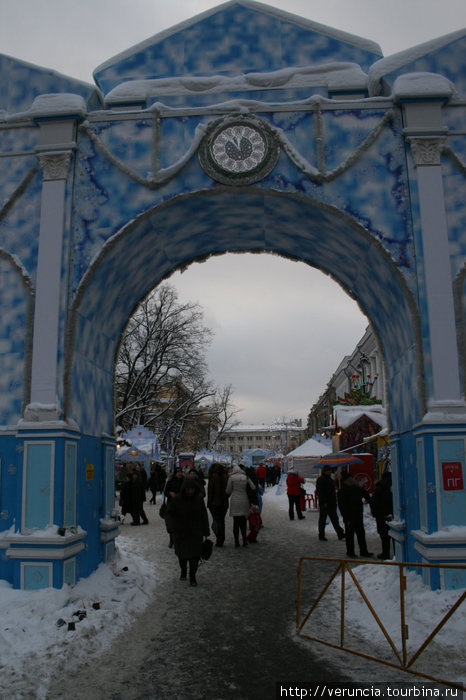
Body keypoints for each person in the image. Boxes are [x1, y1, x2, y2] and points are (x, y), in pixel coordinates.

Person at [165, 479, 210, 587]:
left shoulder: (199, 500)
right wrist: (171, 527)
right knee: (182, 555)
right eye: (188, 489)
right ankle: (183, 571)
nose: (190, 491)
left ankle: (193, 577)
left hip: (196, 531)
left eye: (192, 489)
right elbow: (169, 514)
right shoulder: (177, 500)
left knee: (195, 555)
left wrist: (206, 530)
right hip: (181, 532)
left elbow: (203, 515)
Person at [337, 471, 373, 558]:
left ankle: (364, 551)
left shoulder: (356, 488)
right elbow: (342, 507)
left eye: (351, 479)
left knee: (361, 534)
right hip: (349, 516)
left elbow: (366, 495)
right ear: (345, 481)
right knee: (350, 536)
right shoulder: (342, 491)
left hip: (358, 515)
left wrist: (368, 499)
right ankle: (350, 552)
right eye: (349, 479)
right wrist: (346, 518)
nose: (351, 480)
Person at [225, 465, 256, 547]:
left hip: (235, 500)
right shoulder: (245, 477)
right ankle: (244, 540)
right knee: (243, 521)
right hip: (244, 499)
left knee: (236, 523)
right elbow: (253, 487)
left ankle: (236, 541)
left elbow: (228, 490)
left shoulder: (231, 478)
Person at [315, 466, 345, 541]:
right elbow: (320, 492)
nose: (329, 472)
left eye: (330, 470)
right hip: (325, 503)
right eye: (328, 470)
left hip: (331, 502)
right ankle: (321, 535)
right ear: (324, 471)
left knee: (335, 519)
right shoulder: (321, 479)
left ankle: (340, 534)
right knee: (323, 520)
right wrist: (324, 501)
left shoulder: (330, 479)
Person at [371, 471, 393, 559]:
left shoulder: (378, 488)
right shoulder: (394, 487)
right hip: (393, 515)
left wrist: (375, 513)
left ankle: (385, 553)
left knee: (384, 537)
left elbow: (374, 503)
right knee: (395, 536)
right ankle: (397, 554)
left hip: (381, 516)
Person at [207, 462, 230, 547]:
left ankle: (219, 538)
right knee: (221, 521)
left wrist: (209, 502)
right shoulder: (226, 477)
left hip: (214, 503)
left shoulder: (213, 477)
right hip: (224, 503)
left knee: (216, 521)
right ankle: (221, 539)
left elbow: (210, 491)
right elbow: (228, 491)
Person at [164, 468, 185, 546]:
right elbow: (165, 492)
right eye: (178, 472)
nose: (179, 474)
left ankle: (179, 539)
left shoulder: (185, 481)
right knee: (171, 523)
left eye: (180, 472)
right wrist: (170, 493)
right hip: (172, 504)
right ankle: (172, 539)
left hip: (182, 505)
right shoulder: (171, 481)